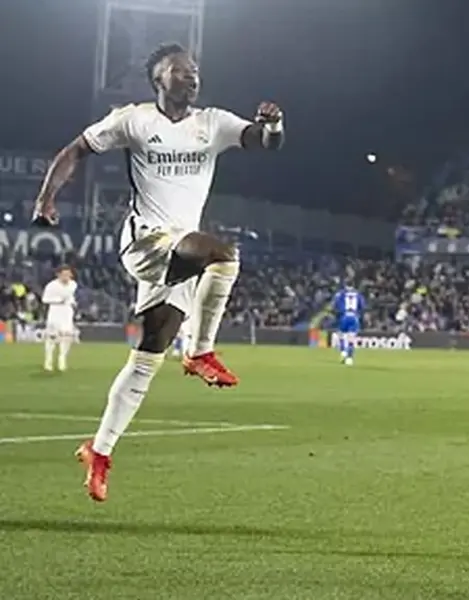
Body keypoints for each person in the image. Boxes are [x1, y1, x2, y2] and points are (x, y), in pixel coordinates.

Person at [31, 43, 285, 502]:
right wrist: (47, 197)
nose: (191, 77)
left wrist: (273, 125)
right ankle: (201, 352)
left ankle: (100, 451)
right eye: (180, 71)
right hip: (147, 241)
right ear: (158, 80)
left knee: (149, 353)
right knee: (224, 253)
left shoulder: (213, 123)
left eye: (195, 71)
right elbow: (76, 149)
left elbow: (264, 142)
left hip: (180, 253)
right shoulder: (134, 119)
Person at [40, 265, 78, 372]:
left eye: (68, 274)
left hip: (67, 311)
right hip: (55, 311)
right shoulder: (51, 286)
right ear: (58, 275)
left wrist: (73, 302)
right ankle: (48, 362)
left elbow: (71, 296)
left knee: (66, 337)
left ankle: (62, 359)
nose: (66, 277)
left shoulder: (73, 285)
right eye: (64, 274)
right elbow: (45, 299)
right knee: (52, 337)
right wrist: (58, 300)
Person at [331, 283, 365, 365]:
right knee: (351, 338)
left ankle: (343, 351)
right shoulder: (358, 294)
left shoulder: (341, 293)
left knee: (341, 334)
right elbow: (362, 306)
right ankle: (349, 358)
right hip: (354, 317)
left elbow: (334, 305)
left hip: (344, 316)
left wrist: (337, 312)